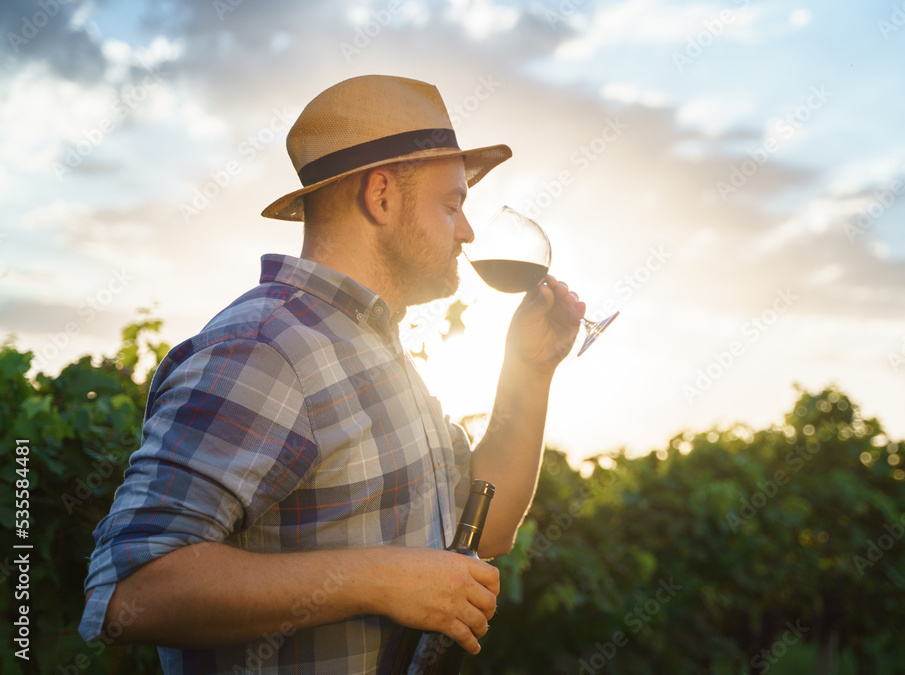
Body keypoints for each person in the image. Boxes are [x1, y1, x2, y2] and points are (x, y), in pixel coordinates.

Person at [78, 74, 585, 674]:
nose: (468, 231)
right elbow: (130, 594)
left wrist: (528, 371)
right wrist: (380, 579)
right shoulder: (264, 349)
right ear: (382, 196)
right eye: (452, 205)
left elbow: (486, 527)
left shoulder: (377, 347)